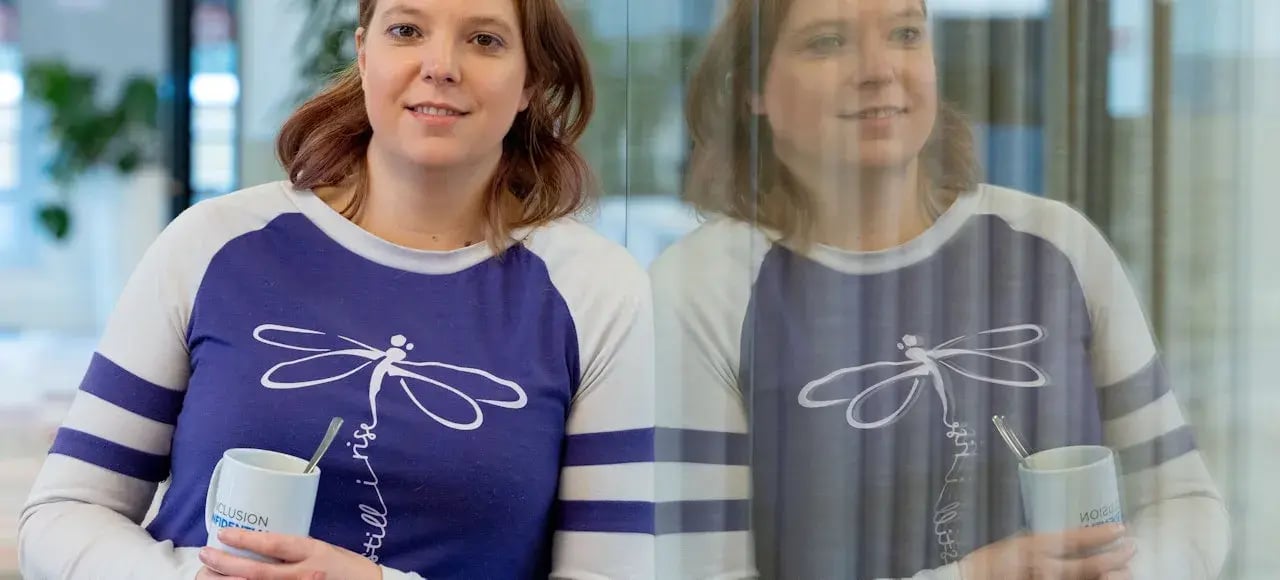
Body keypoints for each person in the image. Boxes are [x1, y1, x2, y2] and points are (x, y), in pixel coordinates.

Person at [19, 0, 657, 578]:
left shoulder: (594, 291)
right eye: (406, 30)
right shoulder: (215, 243)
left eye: (485, 41)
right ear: (363, 51)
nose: (440, 65)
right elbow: (63, 511)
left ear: (532, 83)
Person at [651, 0, 1230, 578]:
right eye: (827, 42)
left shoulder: (1056, 243)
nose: (879, 70)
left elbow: (1185, 500)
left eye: (905, 33)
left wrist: (1132, 570)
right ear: (751, 90)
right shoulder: (704, 287)